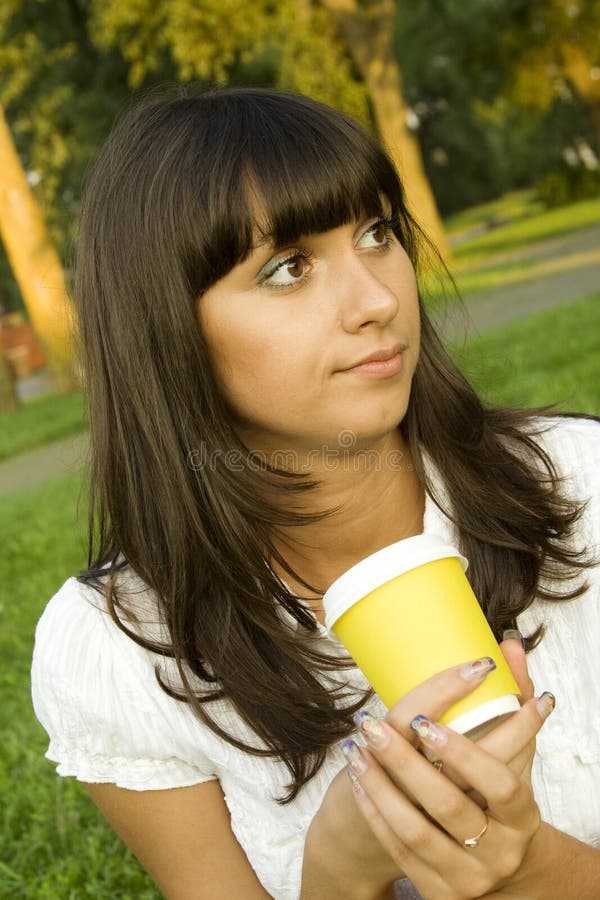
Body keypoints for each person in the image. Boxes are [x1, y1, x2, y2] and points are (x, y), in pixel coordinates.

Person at [31, 86, 600, 900]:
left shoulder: (584, 487)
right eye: (288, 269)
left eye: (377, 234)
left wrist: (523, 866)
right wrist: (338, 870)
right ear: (165, 329)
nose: (377, 302)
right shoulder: (118, 653)